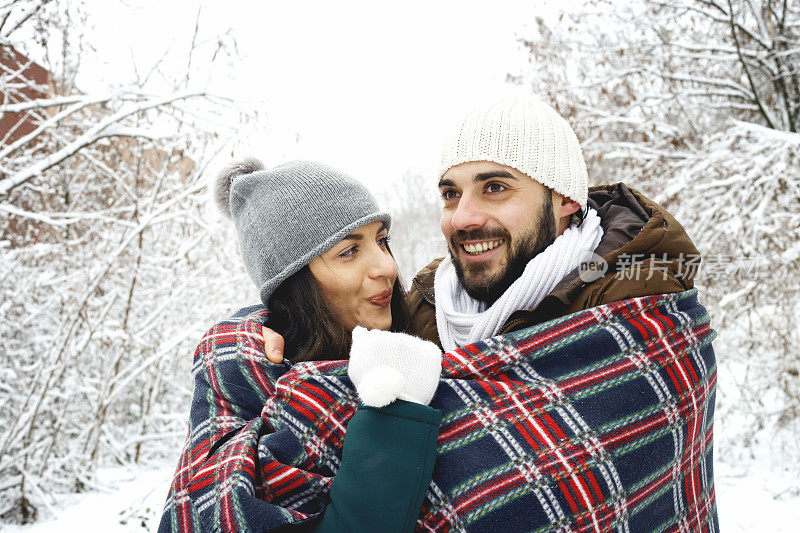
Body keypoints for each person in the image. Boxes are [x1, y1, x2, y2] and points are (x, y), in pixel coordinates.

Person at [262, 96, 718, 532]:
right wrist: (246, 336)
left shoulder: (641, 312)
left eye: (494, 188)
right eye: (450, 194)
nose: (462, 218)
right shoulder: (426, 306)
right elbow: (329, 344)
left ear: (563, 199)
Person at [159, 159, 444, 532]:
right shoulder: (246, 381)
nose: (386, 267)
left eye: (381, 241)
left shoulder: (433, 334)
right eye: (348, 251)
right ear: (293, 284)